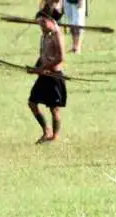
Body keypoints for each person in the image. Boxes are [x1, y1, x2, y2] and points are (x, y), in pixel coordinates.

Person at [28, 10, 67, 144]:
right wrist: (36, 68)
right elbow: (43, 56)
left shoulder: (57, 35)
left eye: (43, 22)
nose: (41, 25)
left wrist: (42, 69)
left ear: (51, 21)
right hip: (43, 75)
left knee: (54, 109)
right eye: (39, 23)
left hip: (54, 76)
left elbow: (60, 58)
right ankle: (46, 131)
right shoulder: (44, 36)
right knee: (32, 103)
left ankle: (54, 136)